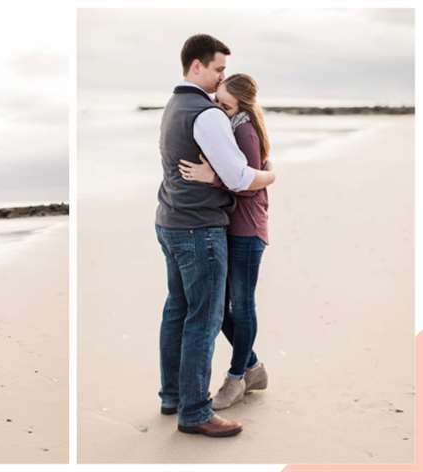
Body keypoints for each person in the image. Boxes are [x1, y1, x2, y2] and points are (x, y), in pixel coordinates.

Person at [154, 34, 275, 437]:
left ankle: (172, 396)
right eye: (219, 69)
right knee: (203, 320)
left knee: (177, 310)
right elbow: (240, 177)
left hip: (169, 221)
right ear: (197, 67)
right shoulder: (207, 115)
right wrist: (271, 175)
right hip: (199, 228)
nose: (223, 76)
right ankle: (195, 411)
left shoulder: (173, 106)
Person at [178, 73, 271, 411]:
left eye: (224, 104)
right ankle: (253, 367)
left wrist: (211, 178)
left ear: (242, 105)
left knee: (241, 305)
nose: (217, 108)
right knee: (219, 307)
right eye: (216, 100)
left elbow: (247, 184)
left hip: (246, 230)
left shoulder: (244, 129)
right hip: (231, 228)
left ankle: (236, 378)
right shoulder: (230, 125)